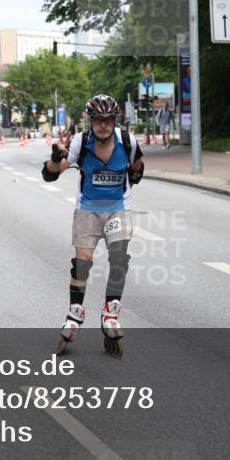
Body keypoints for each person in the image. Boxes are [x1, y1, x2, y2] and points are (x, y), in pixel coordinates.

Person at [42, 94, 144, 357]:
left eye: (108, 120)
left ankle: (111, 312)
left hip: (117, 209)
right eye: (98, 120)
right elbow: (51, 173)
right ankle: (75, 314)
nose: (103, 125)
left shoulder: (127, 141)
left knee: (119, 257)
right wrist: (56, 156)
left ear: (114, 121)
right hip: (88, 209)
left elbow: (137, 167)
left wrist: (133, 175)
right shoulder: (80, 142)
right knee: (83, 261)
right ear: (91, 121)